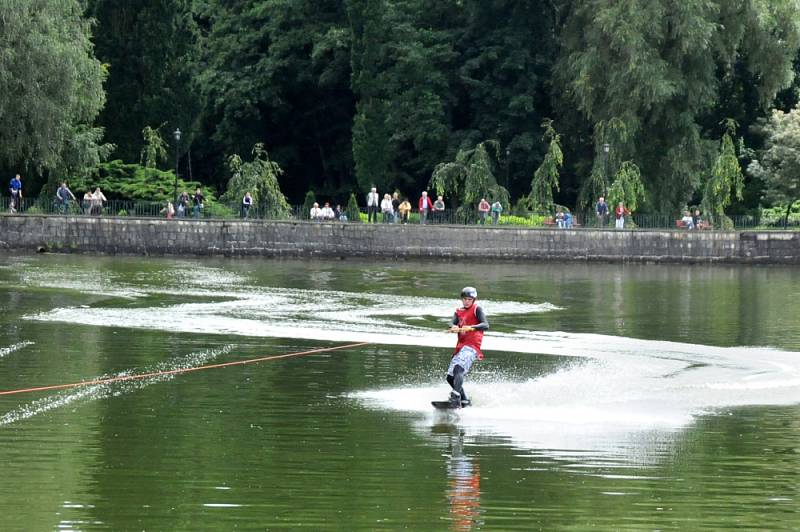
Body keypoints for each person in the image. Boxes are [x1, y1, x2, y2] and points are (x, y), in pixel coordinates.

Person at [444, 287, 489, 408]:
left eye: (470, 299)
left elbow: (485, 324)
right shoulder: (458, 311)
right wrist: (453, 326)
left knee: (459, 368)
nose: (467, 301)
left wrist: (472, 327)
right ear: (461, 299)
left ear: (474, 300)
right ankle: (465, 401)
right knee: (450, 377)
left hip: (472, 346)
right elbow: (451, 322)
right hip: (460, 347)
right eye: (465, 299)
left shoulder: (477, 309)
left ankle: (455, 396)